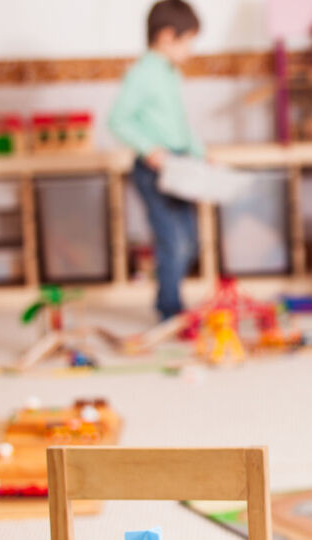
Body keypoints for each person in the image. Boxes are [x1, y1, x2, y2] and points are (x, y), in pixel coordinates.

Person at [108, 0, 204, 320]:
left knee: (190, 239)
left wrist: (200, 156)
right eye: (188, 41)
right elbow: (118, 119)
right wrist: (149, 148)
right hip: (154, 169)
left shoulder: (169, 73)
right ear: (166, 37)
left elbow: (179, 122)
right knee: (172, 240)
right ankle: (169, 307)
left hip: (180, 164)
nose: (190, 50)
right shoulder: (142, 74)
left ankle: (171, 299)